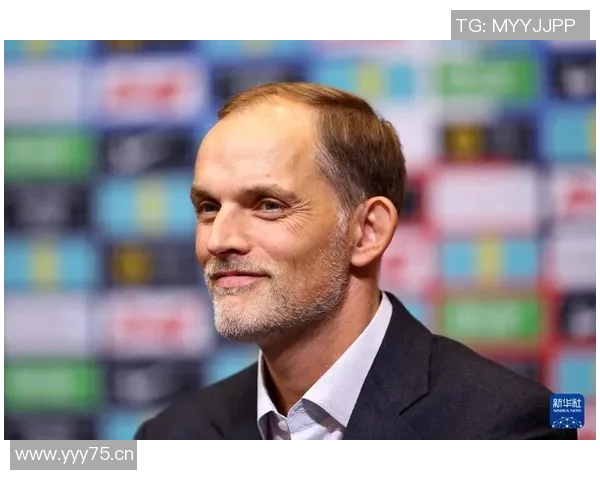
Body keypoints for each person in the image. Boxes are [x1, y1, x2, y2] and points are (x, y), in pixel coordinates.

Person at [134, 82, 576, 440]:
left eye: (268, 205)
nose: (219, 239)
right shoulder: (171, 437)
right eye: (208, 207)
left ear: (367, 232)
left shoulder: (507, 426)